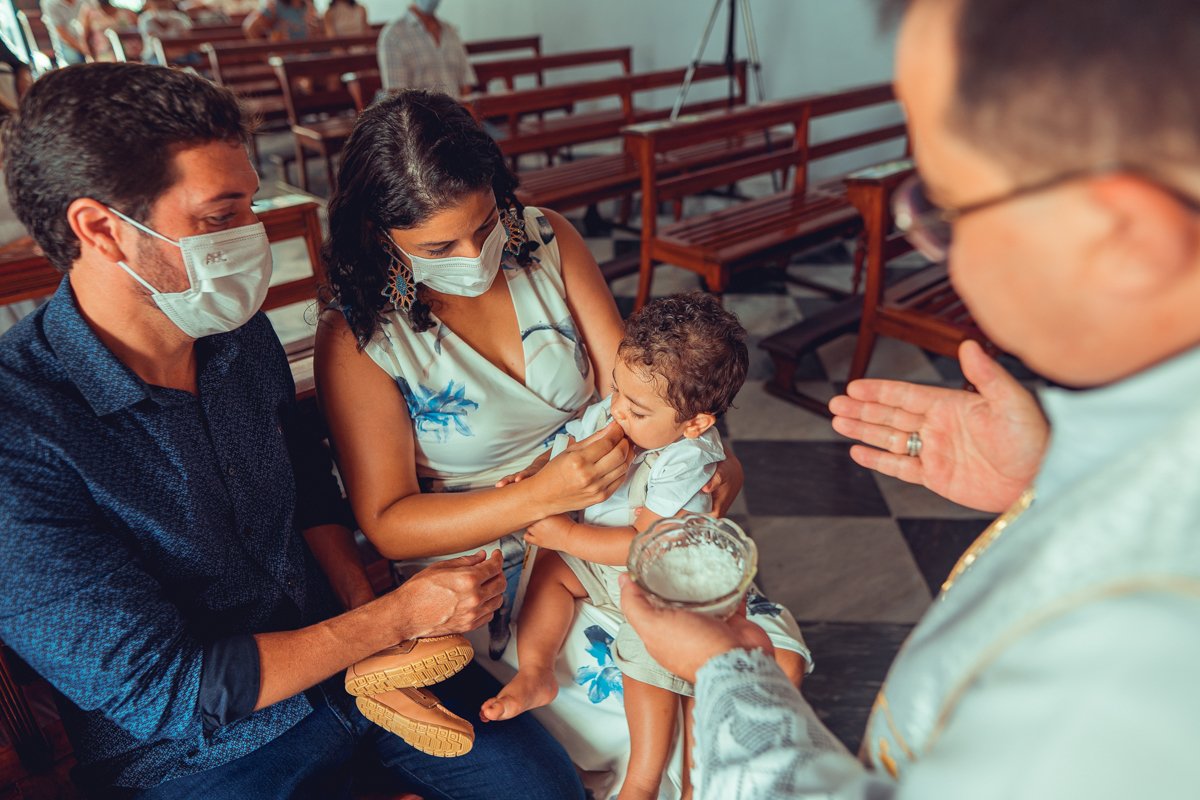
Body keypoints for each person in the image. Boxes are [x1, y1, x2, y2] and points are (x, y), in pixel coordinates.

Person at [620, 0, 1200, 797]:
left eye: (943, 206)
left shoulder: (1144, 647)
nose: (931, 243)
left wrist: (727, 671)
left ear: (1124, 236)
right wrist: (1046, 485)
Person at [0, 63, 583, 800]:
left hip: (349, 665)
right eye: (220, 217)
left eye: (250, 206)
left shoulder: (236, 337)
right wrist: (394, 615)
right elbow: (164, 691)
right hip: (197, 753)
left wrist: (376, 626)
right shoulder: (20, 433)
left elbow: (308, 488)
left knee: (542, 788)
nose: (253, 237)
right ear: (101, 230)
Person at [314, 88, 744, 799]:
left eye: (484, 224)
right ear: (379, 234)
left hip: (610, 508)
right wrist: (544, 499)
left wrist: (712, 454)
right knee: (637, 700)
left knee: (720, 660)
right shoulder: (361, 338)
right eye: (437, 248)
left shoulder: (545, 240)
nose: (475, 255)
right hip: (486, 562)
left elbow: (634, 385)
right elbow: (388, 523)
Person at [480, 292, 810, 800]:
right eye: (616, 391)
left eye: (635, 409)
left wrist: (564, 533)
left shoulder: (687, 459)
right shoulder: (621, 413)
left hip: (662, 584)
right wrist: (533, 476)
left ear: (695, 422)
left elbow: (642, 546)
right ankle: (536, 672)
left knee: (645, 659)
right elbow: (569, 444)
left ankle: (645, 781)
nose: (616, 411)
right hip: (603, 564)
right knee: (553, 574)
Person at [376, 0, 476, 98]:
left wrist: (462, 111)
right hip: (421, 113)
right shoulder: (393, 35)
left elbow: (466, 81)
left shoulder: (450, 31)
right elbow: (398, 95)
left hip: (457, 111)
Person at [138, 0, 192, 65]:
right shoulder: (145, 19)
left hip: (181, 54)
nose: (162, 4)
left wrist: (178, 52)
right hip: (155, 55)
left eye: (165, 1)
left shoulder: (179, 18)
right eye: (158, 2)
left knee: (194, 59)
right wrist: (167, 54)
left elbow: (187, 40)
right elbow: (153, 43)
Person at [39, 0, 86, 65]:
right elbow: (62, 33)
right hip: (67, 43)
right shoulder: (49, 3)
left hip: (90, 37)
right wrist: (82, 48)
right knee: (74, 61)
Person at [243, 0, 317, 41]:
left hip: (306, 55)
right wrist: (266, 56)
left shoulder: (308, 5)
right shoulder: (275, 5)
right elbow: (250, 27)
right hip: (283, 58)